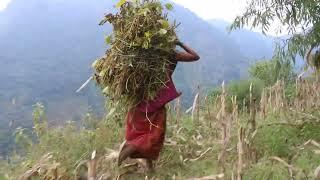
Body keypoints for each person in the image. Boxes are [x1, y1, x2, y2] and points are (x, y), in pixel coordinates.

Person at [118, 41, 200, 171]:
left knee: (142, 132)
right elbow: (195, 56)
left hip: (138, 101)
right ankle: (130, 148)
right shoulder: (170, 55)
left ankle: (149, 167)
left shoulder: (142, 53)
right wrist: (181, 43)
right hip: (155, 102)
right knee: (155, 135)